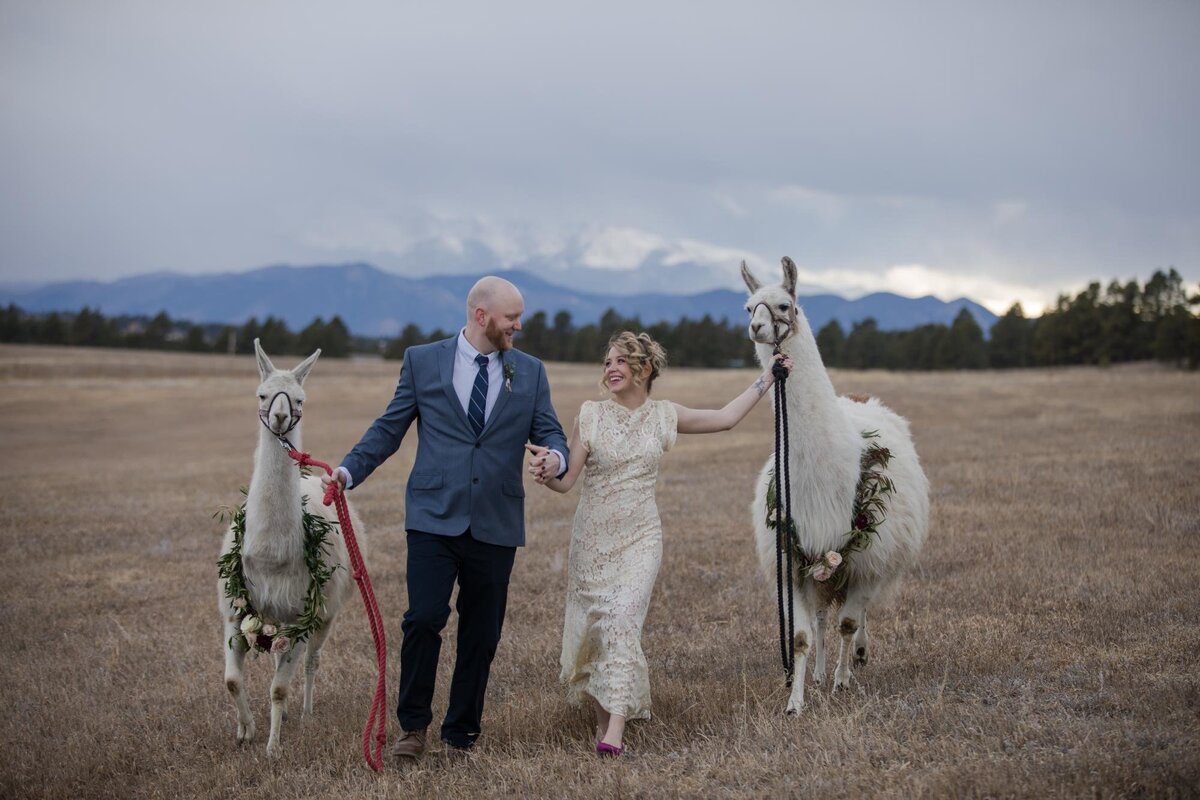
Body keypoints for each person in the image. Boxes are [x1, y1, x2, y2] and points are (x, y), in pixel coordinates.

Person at [325, 276, 568, 762]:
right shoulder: (422, 360)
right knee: (423, 619)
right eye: (510, 317)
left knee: (482, 634)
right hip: (433, 515)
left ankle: (461, 734)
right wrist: (348, 471)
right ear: (481, 316)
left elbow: (551, 432)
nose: (518, 325)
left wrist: (555, 460)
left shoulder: (532, 371)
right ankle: (412, 728)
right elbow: (390, 427)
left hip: (496, 520)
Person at [525, 331, 790, 757]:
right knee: (596, 628)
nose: (610, 368)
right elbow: (566, 482)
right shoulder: (590, 416)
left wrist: (768, 378)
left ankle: (615, 730)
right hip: (592, 540)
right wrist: (545, 471)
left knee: (623, 620)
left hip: (641, 538)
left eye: (620, 361)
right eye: (607, 362)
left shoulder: (665, 415)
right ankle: (602, 720)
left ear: (643, 369)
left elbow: (725, 418)